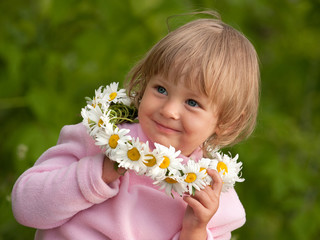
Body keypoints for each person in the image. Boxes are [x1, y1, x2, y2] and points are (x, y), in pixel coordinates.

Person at [12, 11, 260, 240]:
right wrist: (98, 173)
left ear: (227, 122)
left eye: (192, 102)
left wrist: (194, 229)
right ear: (143, 84)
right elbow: (24, 207)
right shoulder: (103, 137)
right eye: (161, 89)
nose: (169, 110)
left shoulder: (211, 196)